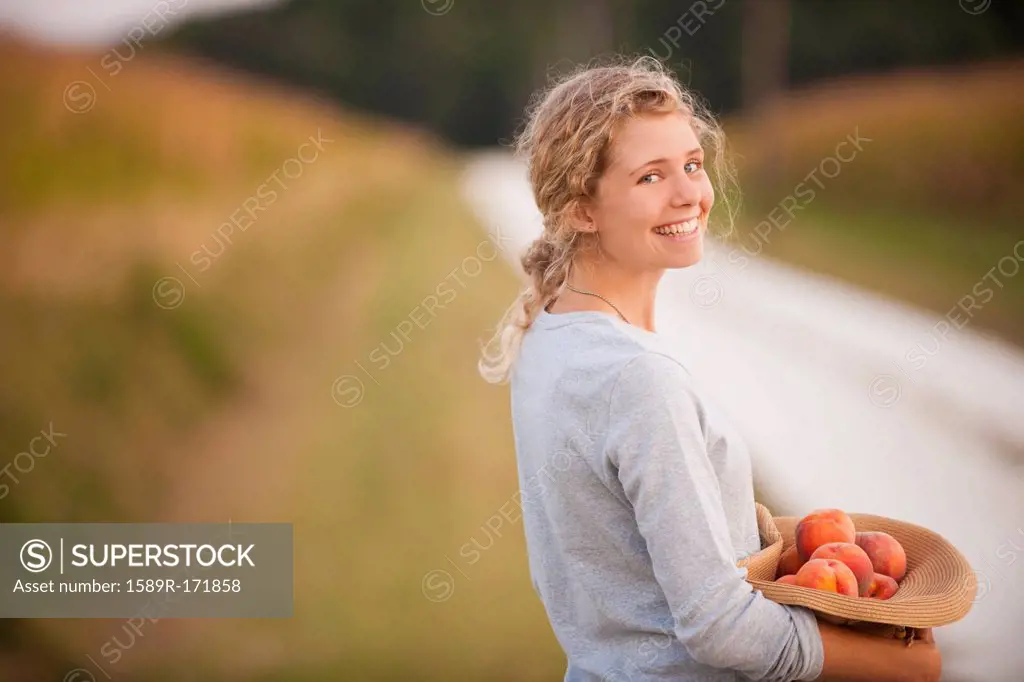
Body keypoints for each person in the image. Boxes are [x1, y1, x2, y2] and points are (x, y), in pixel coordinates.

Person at [478, 56, 941, 682]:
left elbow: (618, 553)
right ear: (582, 208)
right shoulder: (637, 379)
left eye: (692, 165)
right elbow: (718, 626)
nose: (690, 193)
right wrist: (900, 665)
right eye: (650, 177)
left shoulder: (549, 337)